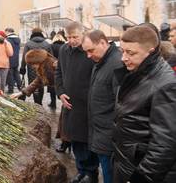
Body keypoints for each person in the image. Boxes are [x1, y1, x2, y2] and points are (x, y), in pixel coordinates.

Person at [113, 26, 176, 183]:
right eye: (123, 51)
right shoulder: (137, 72)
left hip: (141, 171)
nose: (124, 58)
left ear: (151, 51)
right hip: (128, 163)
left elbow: (165, 143)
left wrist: (141, 178)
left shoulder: (165, 84)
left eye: (131, 53)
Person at [55, 22, 98, 183]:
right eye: (69, 37)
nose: (72, 40)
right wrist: (60, 93)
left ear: (83, 34)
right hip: (70, 103)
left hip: (87, 103)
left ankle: (91, 173)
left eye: (75, 37)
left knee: (87, 139)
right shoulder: (64, 50)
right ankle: (81, 171)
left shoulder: (89, 50)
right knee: (75, 139)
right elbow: (58, 72)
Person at [81, 30, 122, 183]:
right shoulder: (101, 62)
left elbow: (122, 105)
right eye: (86, 51)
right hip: (101, 133)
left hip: (109, 137)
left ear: (103, 43)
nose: (88, 55)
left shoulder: (116, 64)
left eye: (91, 50)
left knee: (110, 176)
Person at [20, 27, 52, 104]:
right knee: (41, 83)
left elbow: (25, 57)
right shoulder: (46, 44)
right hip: (44, 68)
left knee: (34, 84)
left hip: (32, 68)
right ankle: (39, 102)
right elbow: (51, 57)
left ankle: (36, 102)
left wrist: (22, 68)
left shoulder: (28, 44)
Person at [5, 27, 22, 94]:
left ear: (8, 32)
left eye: (5, 32)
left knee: (10, 75)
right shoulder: (18, 39)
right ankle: (20, 87)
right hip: (16, 59)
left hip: (9, 59)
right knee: (16, 74)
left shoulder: (8, 40)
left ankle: (10, 89)